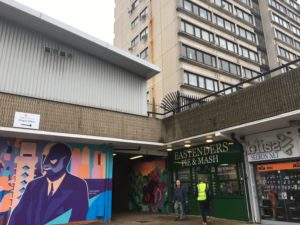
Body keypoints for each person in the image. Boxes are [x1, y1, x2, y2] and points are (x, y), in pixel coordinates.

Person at [8, 143, 89, 225]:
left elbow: (79, 219)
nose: (44, 163)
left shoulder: (78, 185)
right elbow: (18, 214)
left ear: (65, 161)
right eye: (43, 157)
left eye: (52, 158)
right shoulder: (33, 185)